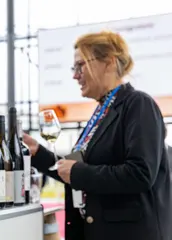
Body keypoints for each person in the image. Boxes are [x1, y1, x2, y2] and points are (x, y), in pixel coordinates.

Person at [24, 31, 172, 240]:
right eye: (73, 68)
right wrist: (38, 153)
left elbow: (141, 174)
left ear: (109, 62)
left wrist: (78, 172)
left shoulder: (138, 104)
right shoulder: (103, 112)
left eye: (80, 65)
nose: (75, 75)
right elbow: (75, 170)